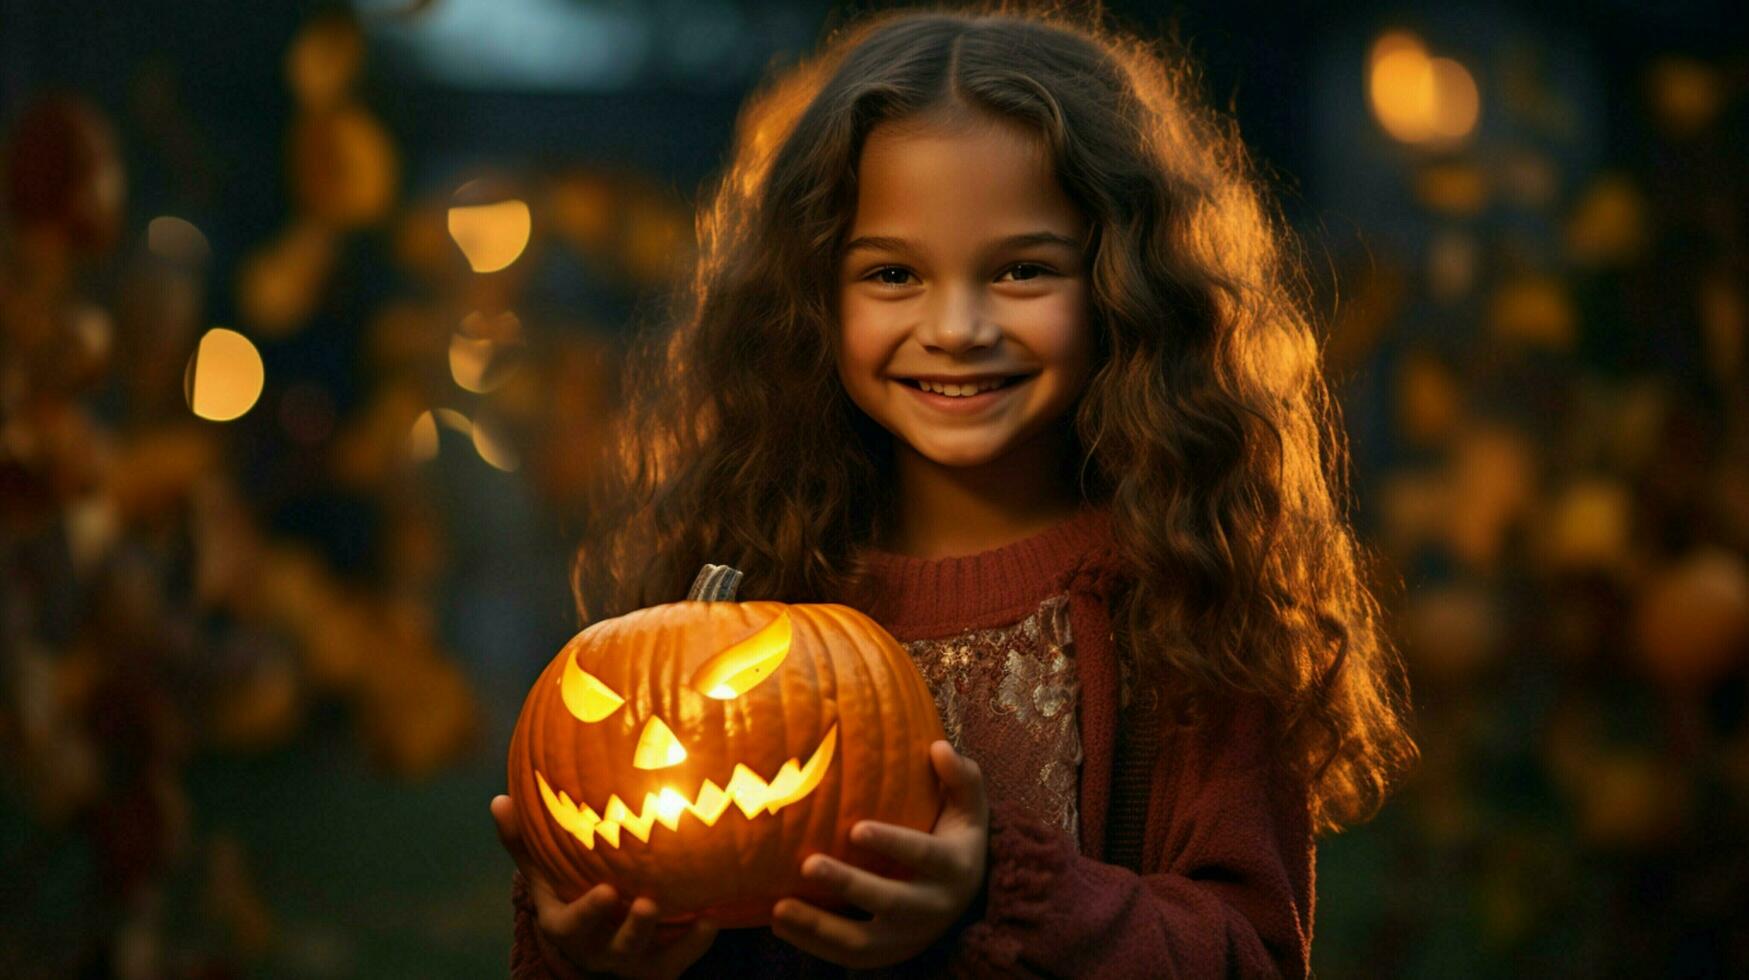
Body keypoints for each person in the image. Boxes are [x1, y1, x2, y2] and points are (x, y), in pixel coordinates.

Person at [491, 5, 1419, 977]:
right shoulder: (752, 589)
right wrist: (592, 947)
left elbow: (1249, 956)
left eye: (1022, 269)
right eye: (893, 273)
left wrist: (993, 896)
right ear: (814, 297)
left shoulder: (1188, 602)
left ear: (1121, 282)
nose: (959, 325)